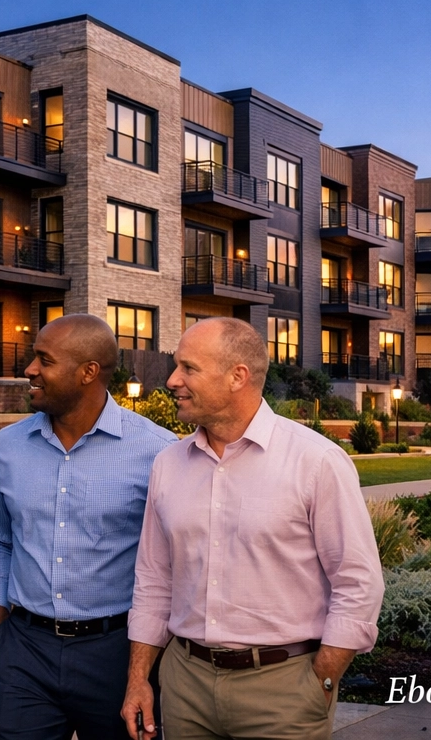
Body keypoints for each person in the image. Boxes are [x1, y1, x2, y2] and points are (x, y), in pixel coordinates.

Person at [121, 317, 385, 740]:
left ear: (236, 376)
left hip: (283, 691)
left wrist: (322, 679)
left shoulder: (317, 461)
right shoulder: (168, 466)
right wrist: (139, 679)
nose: (172, 380)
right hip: (184, 683)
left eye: (188, 368)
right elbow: (153, 580)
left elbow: (358, 583)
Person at [0, 314, 177, 740]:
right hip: (24, 652)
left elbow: (172, 564)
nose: (29, 370)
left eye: (43, 360)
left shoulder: (158, 452)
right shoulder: (10, 445)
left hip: (117, 653)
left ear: (88, 372)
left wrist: (145, 665)